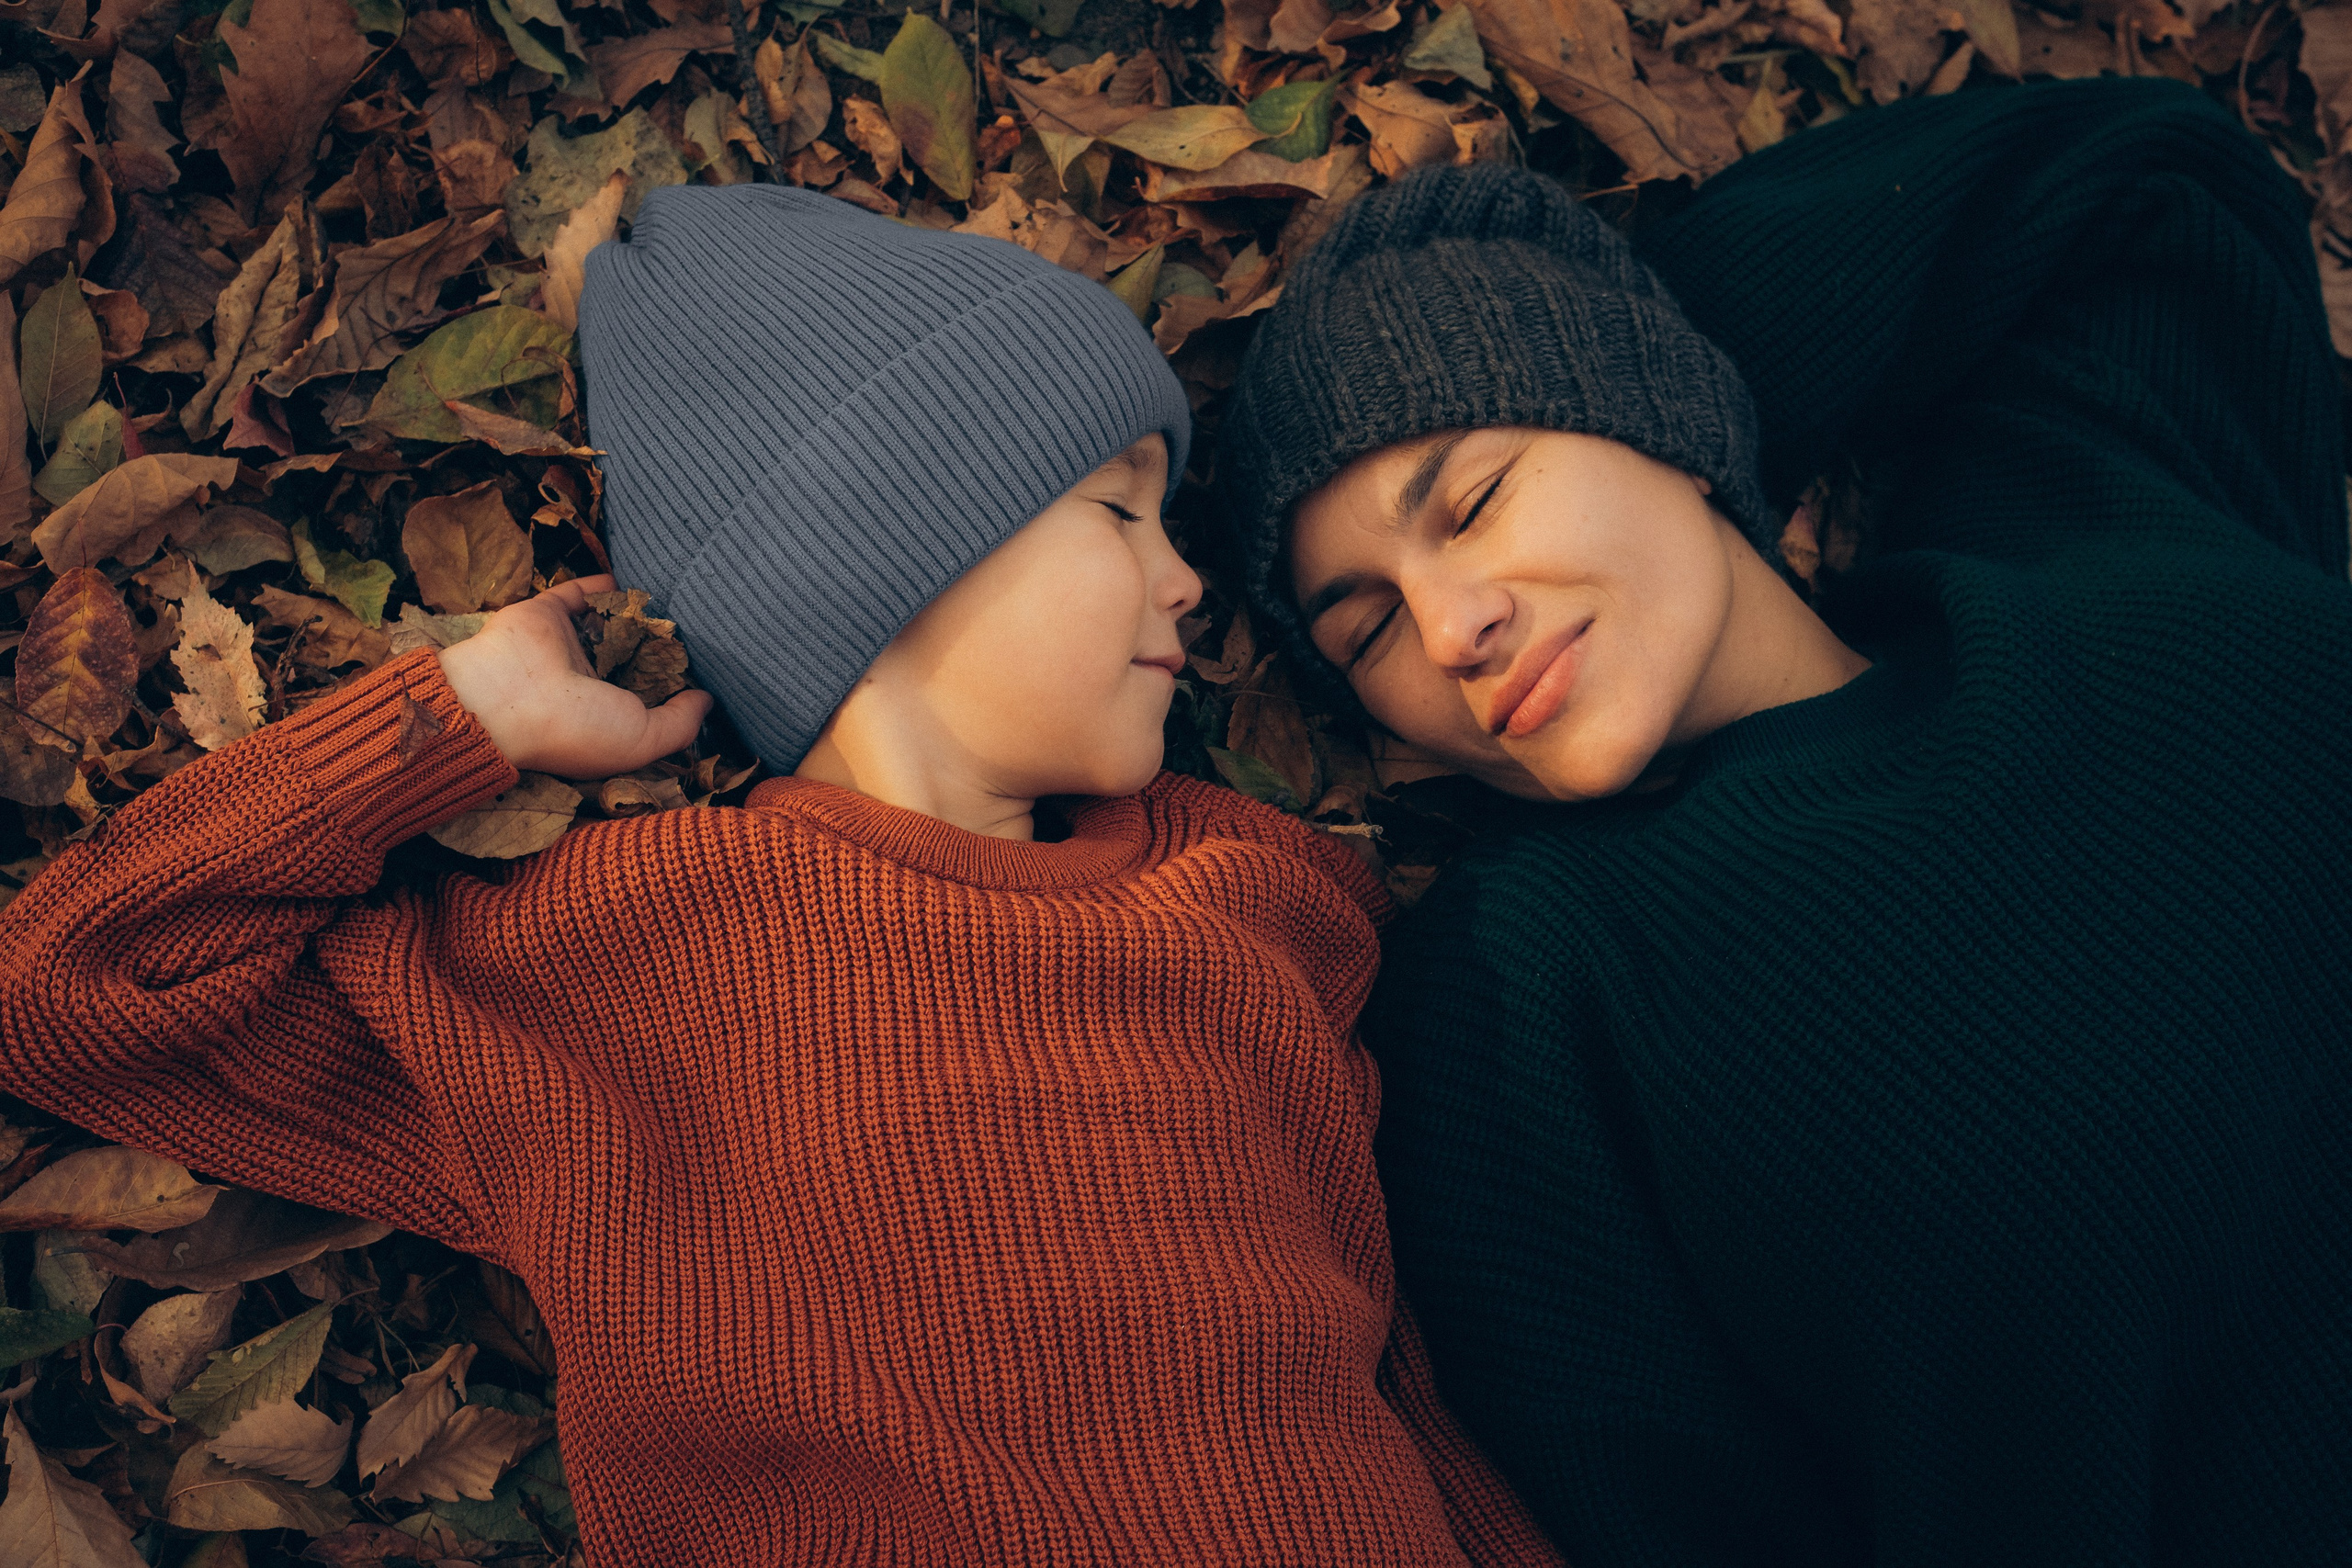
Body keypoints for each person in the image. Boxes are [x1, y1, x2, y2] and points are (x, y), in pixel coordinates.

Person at [0, 186, 1560, 1568]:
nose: (1185, 576)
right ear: (886, 549)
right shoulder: (607, 956)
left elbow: (1387, 1361)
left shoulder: (1259, 901)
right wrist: (463, 722)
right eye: (1114, 509)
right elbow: (77, 990)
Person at [1216, 76, 2352, 1568]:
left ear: (1653, 416)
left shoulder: (2089, 538)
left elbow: (2146, 176)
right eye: (1364, 633)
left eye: (1476, 499)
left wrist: (1685, 379)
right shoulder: (1528, 994)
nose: (1452, 625)